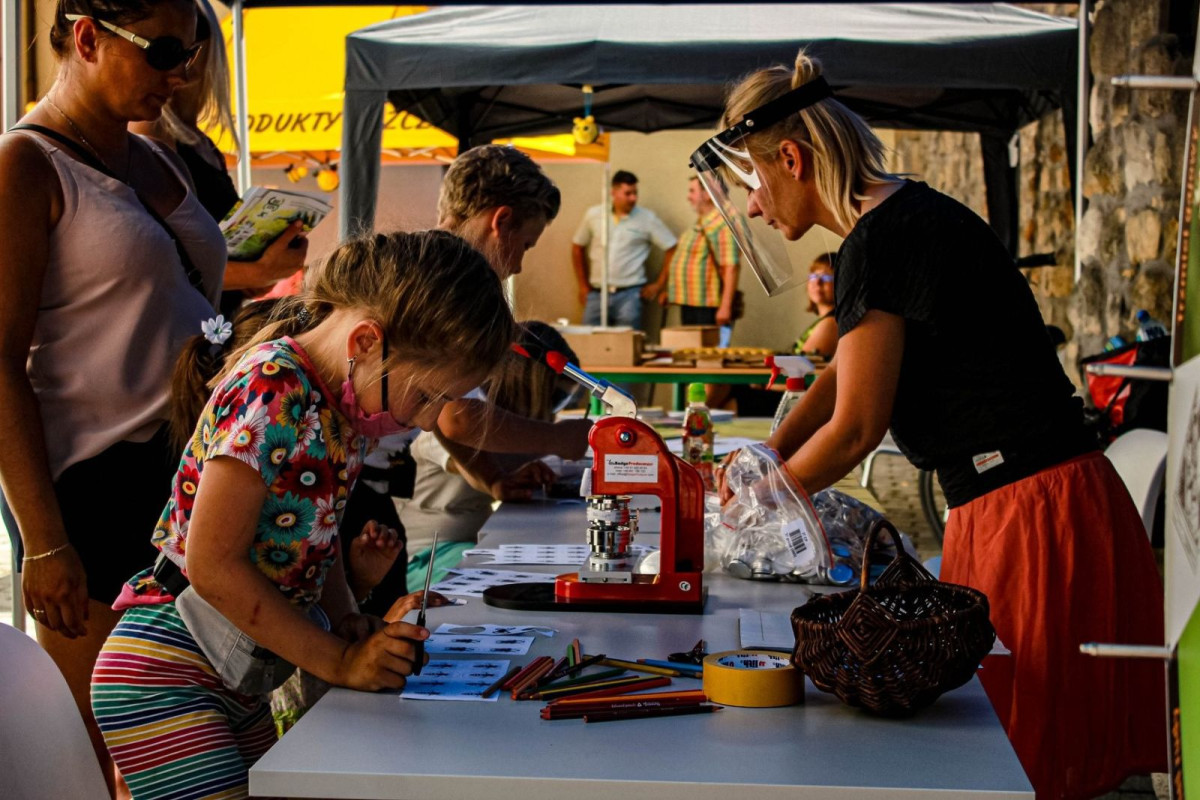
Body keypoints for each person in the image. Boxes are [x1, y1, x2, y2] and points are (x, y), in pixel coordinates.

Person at [704, 49, 1165, 799]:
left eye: (751, 184)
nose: (753, 207)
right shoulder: (898, 221)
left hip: (1032, 513)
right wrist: (768, 454)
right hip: (1030, 502)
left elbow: (856, 427)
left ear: (790, 158)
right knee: (1014, 756)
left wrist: (760, 504)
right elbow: (839, 379)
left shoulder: (877, 241)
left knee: (1014, 766)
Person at [91, 230, 516, 799]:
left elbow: (318, 537)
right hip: (166, 671)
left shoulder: (340, 405)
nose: (427, 421)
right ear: (366, 341)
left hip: (233, 673)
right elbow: (212, 564)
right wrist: (340, 660)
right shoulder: (273, 388)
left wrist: (345, 619)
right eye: (426, 396)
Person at [0, 2, 225, 793]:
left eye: (192, 53)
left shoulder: (152, 157)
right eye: (165, 52)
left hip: (186, 478)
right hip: (94, 486)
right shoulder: (25, 164)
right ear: (88, 36)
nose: (183, 73)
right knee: (102, 763)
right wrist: (45, 541)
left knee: (192, 739)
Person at [130, 0, 308, 318]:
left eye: (189, 50)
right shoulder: (153, 129)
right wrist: (254, 274)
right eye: (175, 48)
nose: (182, 64)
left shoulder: (200, 142)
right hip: (183, 334)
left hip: (212, 325)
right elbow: (161, 264)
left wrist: (258, 272)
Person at [402, 322, 580, 557]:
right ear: (531, 387)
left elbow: (498, 462)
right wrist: (559, 439)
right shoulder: (442, 414)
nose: (555, 408)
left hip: (471, 540)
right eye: (558, 399)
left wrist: (517, 474)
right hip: (428, 554)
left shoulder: (499, 427)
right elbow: (468, 446)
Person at [571, 169, 677, 328]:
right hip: (597, 294)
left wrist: (658, 284)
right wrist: (583, 285)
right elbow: (577, 247)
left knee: (626, 345)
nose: (633, 198)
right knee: (589, 343)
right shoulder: (594, 214)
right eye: (628, 193)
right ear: (613, 192)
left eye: (635, 193)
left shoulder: (646, 218)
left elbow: (672, 247)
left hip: (630, 295)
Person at [646, 175, 740, 329]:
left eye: (692, 191)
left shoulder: (723, 223)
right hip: (693, 302)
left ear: (708, 194)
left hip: (708, 306)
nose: (688, 197)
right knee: (691, 351)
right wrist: (671, 291)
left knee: (704, 352)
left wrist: (725, 307)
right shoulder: (705, 220)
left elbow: (731, 266)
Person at [793, 252, 838, 358]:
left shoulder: (831, 323)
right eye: (813, 276)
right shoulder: (824, 320)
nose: (817, 282)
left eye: (827, 277)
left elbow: (804, 367)